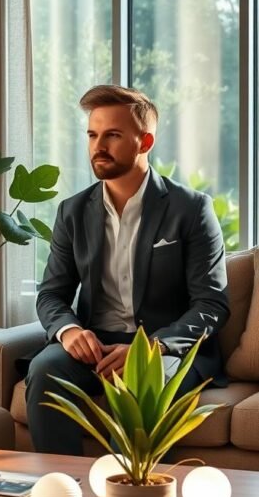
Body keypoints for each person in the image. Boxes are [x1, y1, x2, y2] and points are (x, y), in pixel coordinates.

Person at [25, 84, 230, 456]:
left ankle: (128, 488)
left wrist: (149, 347)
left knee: (141, 385)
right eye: (93, 135)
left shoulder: (191, 209)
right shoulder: (73, 211)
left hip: (162, 349)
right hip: (95, 347)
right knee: (44, 371)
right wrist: (69, 331)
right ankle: (62, 484)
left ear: (145, 142)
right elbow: (52, 294)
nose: (98, 146)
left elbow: (211, 305)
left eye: (113, 135)